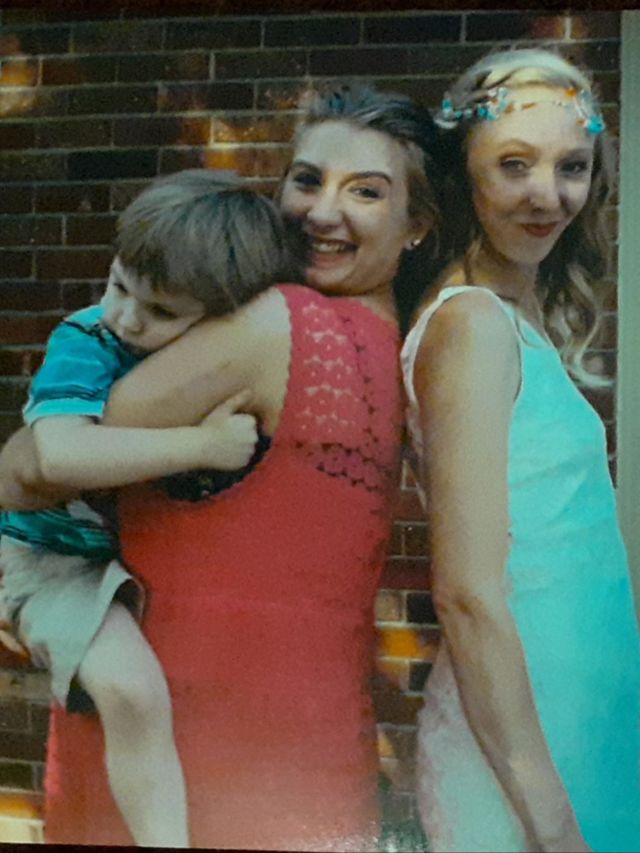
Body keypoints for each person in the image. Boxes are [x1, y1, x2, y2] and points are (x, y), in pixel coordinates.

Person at [0, 83, 443, 850]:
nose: (322, 211)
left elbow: (28, 468)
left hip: (183, 750)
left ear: (417, 225)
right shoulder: (400, 348)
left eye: (365, 192)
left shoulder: (275, 322)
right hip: (312, 756)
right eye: (307, 180)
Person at [0, 168, 299, 847]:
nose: (127, 317)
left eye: (161, 311)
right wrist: (201, 444)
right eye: (118, 286)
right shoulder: (87, 339)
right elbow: (58, 455)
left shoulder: (216, 350)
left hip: (123, 556)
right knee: (132, 691)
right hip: (50, 552)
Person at [401, 47, 640, 853]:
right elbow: (467, 592)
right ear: (464, 172)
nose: (548, 194)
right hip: (523, 763)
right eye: (514, 165)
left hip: (580, 724)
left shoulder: (514, 318)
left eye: (571, 166)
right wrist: (554, 824)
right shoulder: (471, 323)